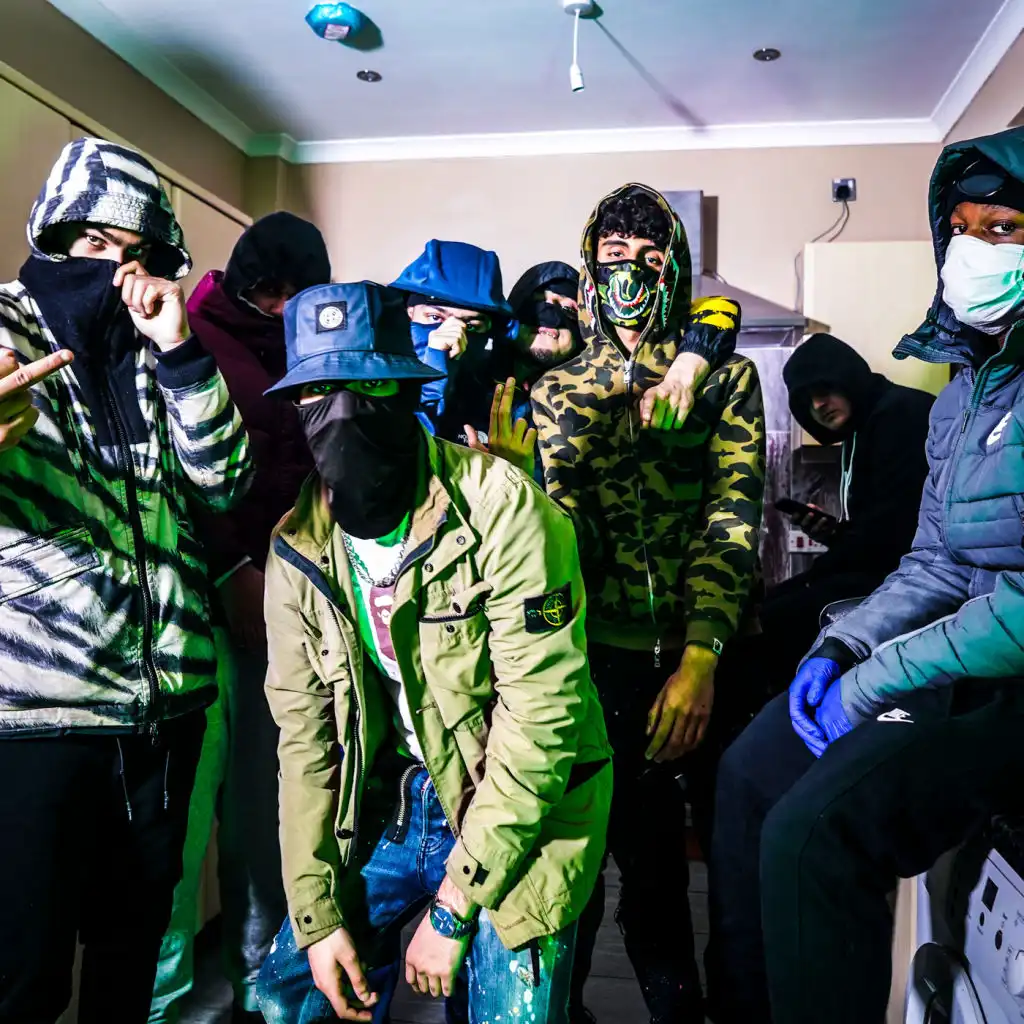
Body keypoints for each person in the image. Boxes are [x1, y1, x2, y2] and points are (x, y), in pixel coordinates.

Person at [706, 126, 1024, 1024]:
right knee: (747, 774)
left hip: (1008, 686)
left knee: (811, 833)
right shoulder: (963, 397)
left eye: (1003, 228)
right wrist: (841, 646)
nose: (975, 250)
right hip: (954, 663)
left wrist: (872, 679)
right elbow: (933, 559)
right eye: (960, 229)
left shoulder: (911, 413)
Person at [254, 281, 612, 1024]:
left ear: (409, 388)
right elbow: (305, 740)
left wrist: (453, 909)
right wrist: (317, 918)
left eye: (370, 387)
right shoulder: (298, 548)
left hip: (514, 801)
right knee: (289, 996)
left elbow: (542, 720)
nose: (343, 413)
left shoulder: (504, 509)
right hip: (390, 799)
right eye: (319, 392)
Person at [0, 137, 252, 1023]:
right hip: (40, 722)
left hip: (163, 718)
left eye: (138, 253)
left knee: (131, 964)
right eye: (96, 244)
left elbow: (225, 482)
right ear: (53, 238)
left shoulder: (157, 345)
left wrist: (180, 350)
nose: (116, 272)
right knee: (22, 976)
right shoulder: (5, 328)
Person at [530, 183, 766, 1024]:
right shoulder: (557, 390)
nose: (629, 273)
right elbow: (556, 543)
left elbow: (733, 518)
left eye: (649, 257)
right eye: (613, 258)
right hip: (593, 664)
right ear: (591, 268)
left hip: (698, 661)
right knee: (575, 876)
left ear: (675, 268)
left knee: (672, 878)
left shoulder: (725, 377)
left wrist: (701, 658)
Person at [150, 212, 331, 1023]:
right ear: (246, 282)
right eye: (272, 293)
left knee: (267, 818)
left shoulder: (308, 342)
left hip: (283, 615)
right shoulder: (188, 337)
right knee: (180, 831)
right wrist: (231, 572)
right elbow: (177, 477)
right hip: (196, 614)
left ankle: (261, 992)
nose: (284, 308)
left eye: (299, 295)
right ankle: (160, 1000)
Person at [755, 332, 934, 691]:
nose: (818, 405)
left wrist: (822, 567)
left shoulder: (899, 414)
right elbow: (885, 524)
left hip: (919, 577)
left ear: (847, 377)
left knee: (773, 617)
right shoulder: (866, 425)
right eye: (806, 401)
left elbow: (894, 533)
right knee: (769, 607)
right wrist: (835, 535)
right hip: (896, 569)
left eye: (824, 389)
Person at [465, 261, 583, 479]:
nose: (549, 314)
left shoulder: (593, 402)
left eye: (568, 309)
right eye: (536, 304)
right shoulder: (464, 378)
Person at [391, 239, 514, 440]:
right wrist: (434, 367)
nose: (453, 334)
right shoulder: (373, 382)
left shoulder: (501, 400)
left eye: (471, 326)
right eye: (435, 317)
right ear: (408, 313)